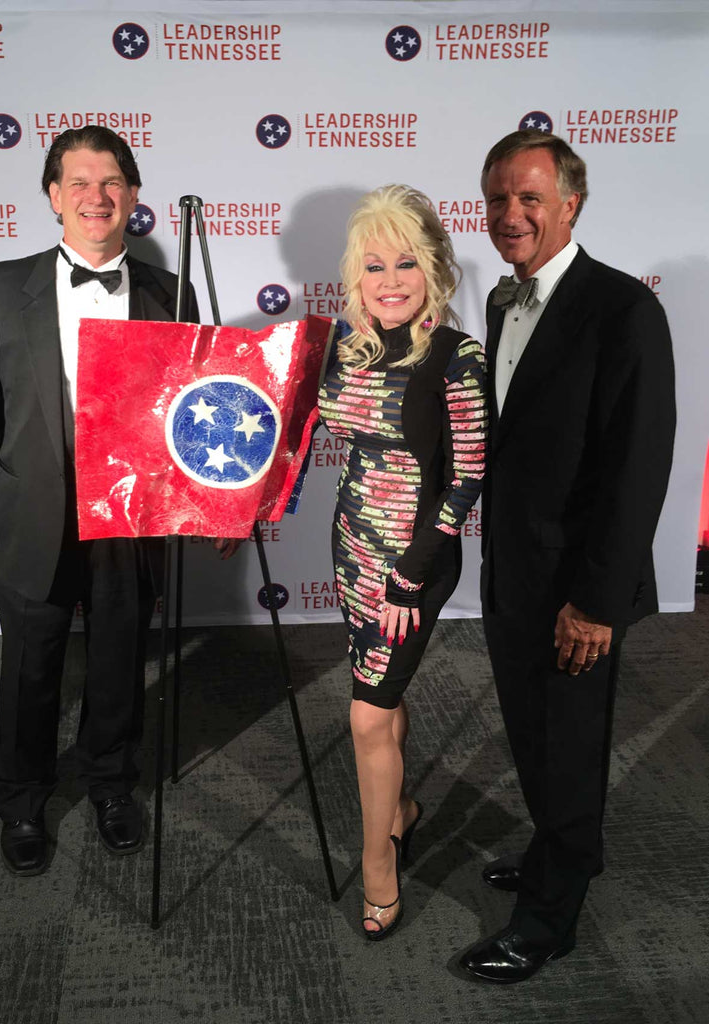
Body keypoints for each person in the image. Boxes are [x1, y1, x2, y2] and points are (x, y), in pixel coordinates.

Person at [0, 126, 202, 876]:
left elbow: (186, 418)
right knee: (31, 663)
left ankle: (111, 783)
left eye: (112, 181)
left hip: (130, 514)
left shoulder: (167, 292)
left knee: (120, 658)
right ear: (54, 196)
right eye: (79, 182)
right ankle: (22, 797)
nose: (97, 196)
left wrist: (209, 506)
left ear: (133, 196)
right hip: (33, 513)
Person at [459, 130, 676, 982]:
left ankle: (549, 918)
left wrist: (597, 600)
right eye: (496, 199)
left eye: (529, 198)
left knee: (570, 741)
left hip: (576, 586)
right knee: (532, 732)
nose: (510, 215)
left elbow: (637, 466)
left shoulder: (622, 309)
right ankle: (561, 848)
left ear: (570, 204)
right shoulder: (500, 303)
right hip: (512, 570)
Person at [318, 185, 486, 939]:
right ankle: (405, 807)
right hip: (352, 546)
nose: (389, 281)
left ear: (433, 271)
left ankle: (379, 861)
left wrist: (410, 575)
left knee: (363, 717)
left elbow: (468, 476)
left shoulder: (456, 357)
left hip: (413, 563)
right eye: (374, 265)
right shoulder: (346, 350)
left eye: (406, 264)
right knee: (379, 703)